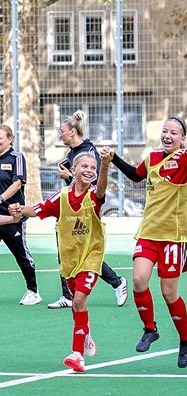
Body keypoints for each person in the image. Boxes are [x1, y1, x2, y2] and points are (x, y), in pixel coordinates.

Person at [108, 116, 187, 368]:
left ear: (182, 138)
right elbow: (135, 176)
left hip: (174, 235)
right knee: (139, 280)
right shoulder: (152, 158)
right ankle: (150, 328)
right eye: (164, 131)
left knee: (168, 292)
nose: (167, 135)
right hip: (149, 232)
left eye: (174, 132)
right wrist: (114, 160)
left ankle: (186, 340)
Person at [9, 149, 113, 372]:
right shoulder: (61, 197)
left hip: (91, 257)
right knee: (77, 305)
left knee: (78, 301)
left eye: (92, 167)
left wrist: (105, 165)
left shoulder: (94, 196)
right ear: (72, 170)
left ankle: (77, 355)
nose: (89, 170)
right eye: (84, 166)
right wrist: (19, 209)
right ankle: (85, 332)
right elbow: (38, 209)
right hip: (69, 260)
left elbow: (102, 189)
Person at [47, 110, 129, 309]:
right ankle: (68, 295)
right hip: (70, 208)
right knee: (67, 250)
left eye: (62, 131)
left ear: (73, 131)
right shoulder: (71, 154)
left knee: (85, 253)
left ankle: (118, 282)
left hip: (86, 209)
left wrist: (68, 177)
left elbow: (91, 183)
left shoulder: (89, 151)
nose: (60, 135)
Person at [0, 124, 40, 305]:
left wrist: (1, 198)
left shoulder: (17, 157)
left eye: (0, 137)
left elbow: (17, 184)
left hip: (13, 214)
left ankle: (33, 291)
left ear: (9, 139)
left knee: (21, 254)